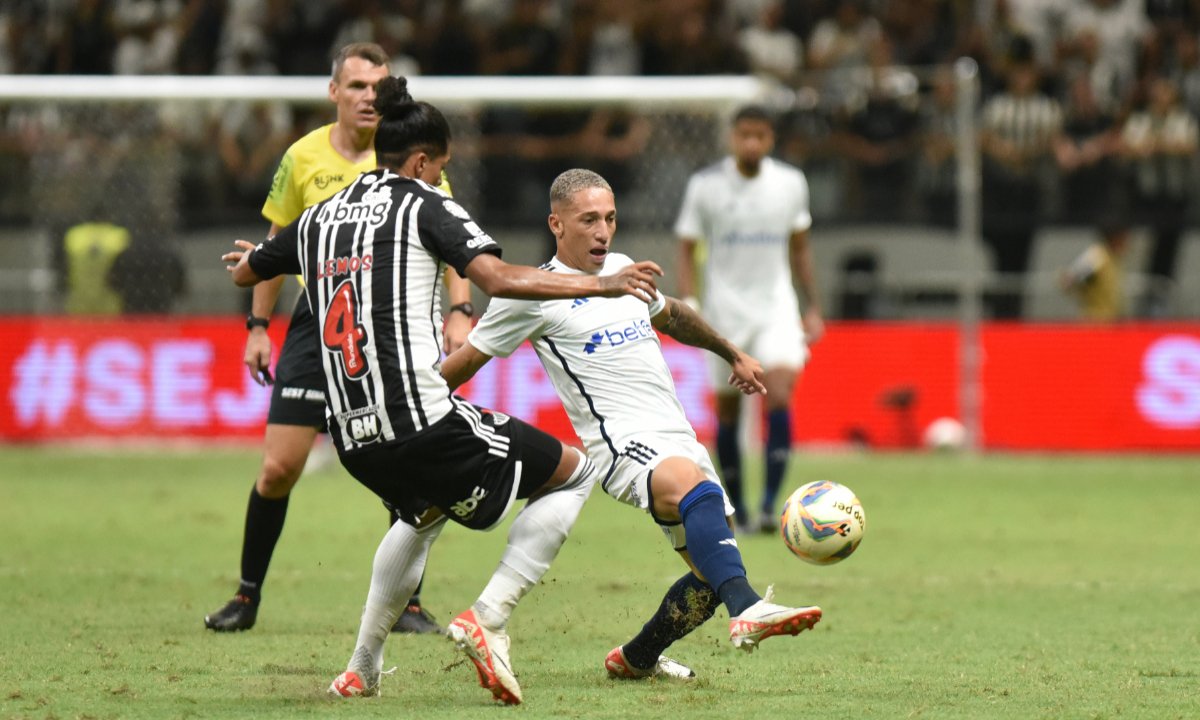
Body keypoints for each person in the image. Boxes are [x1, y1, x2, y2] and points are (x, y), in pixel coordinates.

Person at [223, 78, 666, 705]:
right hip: (422, 420)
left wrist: (250, 261)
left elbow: (248, 269)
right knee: (576, 472)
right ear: (424, 161)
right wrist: (602, 285)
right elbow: (496, 279)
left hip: (353, 435)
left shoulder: (316, 218)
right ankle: (487, 617)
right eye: (440, 169)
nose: (439, 179)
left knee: (422, 512)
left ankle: (361, 668)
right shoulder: (425, 203)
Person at [436, 168, 822, 683]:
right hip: (619, 444)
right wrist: (411, 407)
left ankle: (637, 658)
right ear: (556, 223)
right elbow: (462, 364)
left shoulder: (621, 269)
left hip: (676, 434)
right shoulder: (529, 293)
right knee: (695, 492)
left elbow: (674, 316)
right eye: (588, 219)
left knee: (710, 573)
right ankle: (749, 609)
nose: (603, 231)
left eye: (610, 218)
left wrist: (732, 351)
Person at [203, 42, 471, 635]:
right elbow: (274, 246)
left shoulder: (411, 156)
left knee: (406, 465)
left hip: (389, 326)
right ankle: (246, 598)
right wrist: (256, 328)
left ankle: (410, 603)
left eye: (377, 86)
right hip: (314, 321)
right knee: (278, 469)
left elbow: (453, 239)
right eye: (355, 86)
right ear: (334, 93)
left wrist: (460, 309)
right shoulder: (303, 157)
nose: (367, 97)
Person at [675, 105, 824, 534]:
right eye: (745, 135)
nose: (752, 144)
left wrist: (811, 304)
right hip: (722, 313)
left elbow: (800, 247)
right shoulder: (705, 186)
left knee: (778, 392)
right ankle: (736, 506)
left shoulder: (790, 184)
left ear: (771, 138)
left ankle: (767, 506)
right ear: (732, 137)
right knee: (727, 409)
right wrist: (689, 301)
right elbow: (686, 245)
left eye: (760, 136)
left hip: (776, 307)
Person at [1060, 218, 1129, 322]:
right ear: (1115, 237)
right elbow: (1068, 280)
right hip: (1094, 323)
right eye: (1123, 238)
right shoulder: (1097, 256)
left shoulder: (1112, 258)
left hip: (1110, 323)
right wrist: (1085, 291)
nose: (1127, 243)